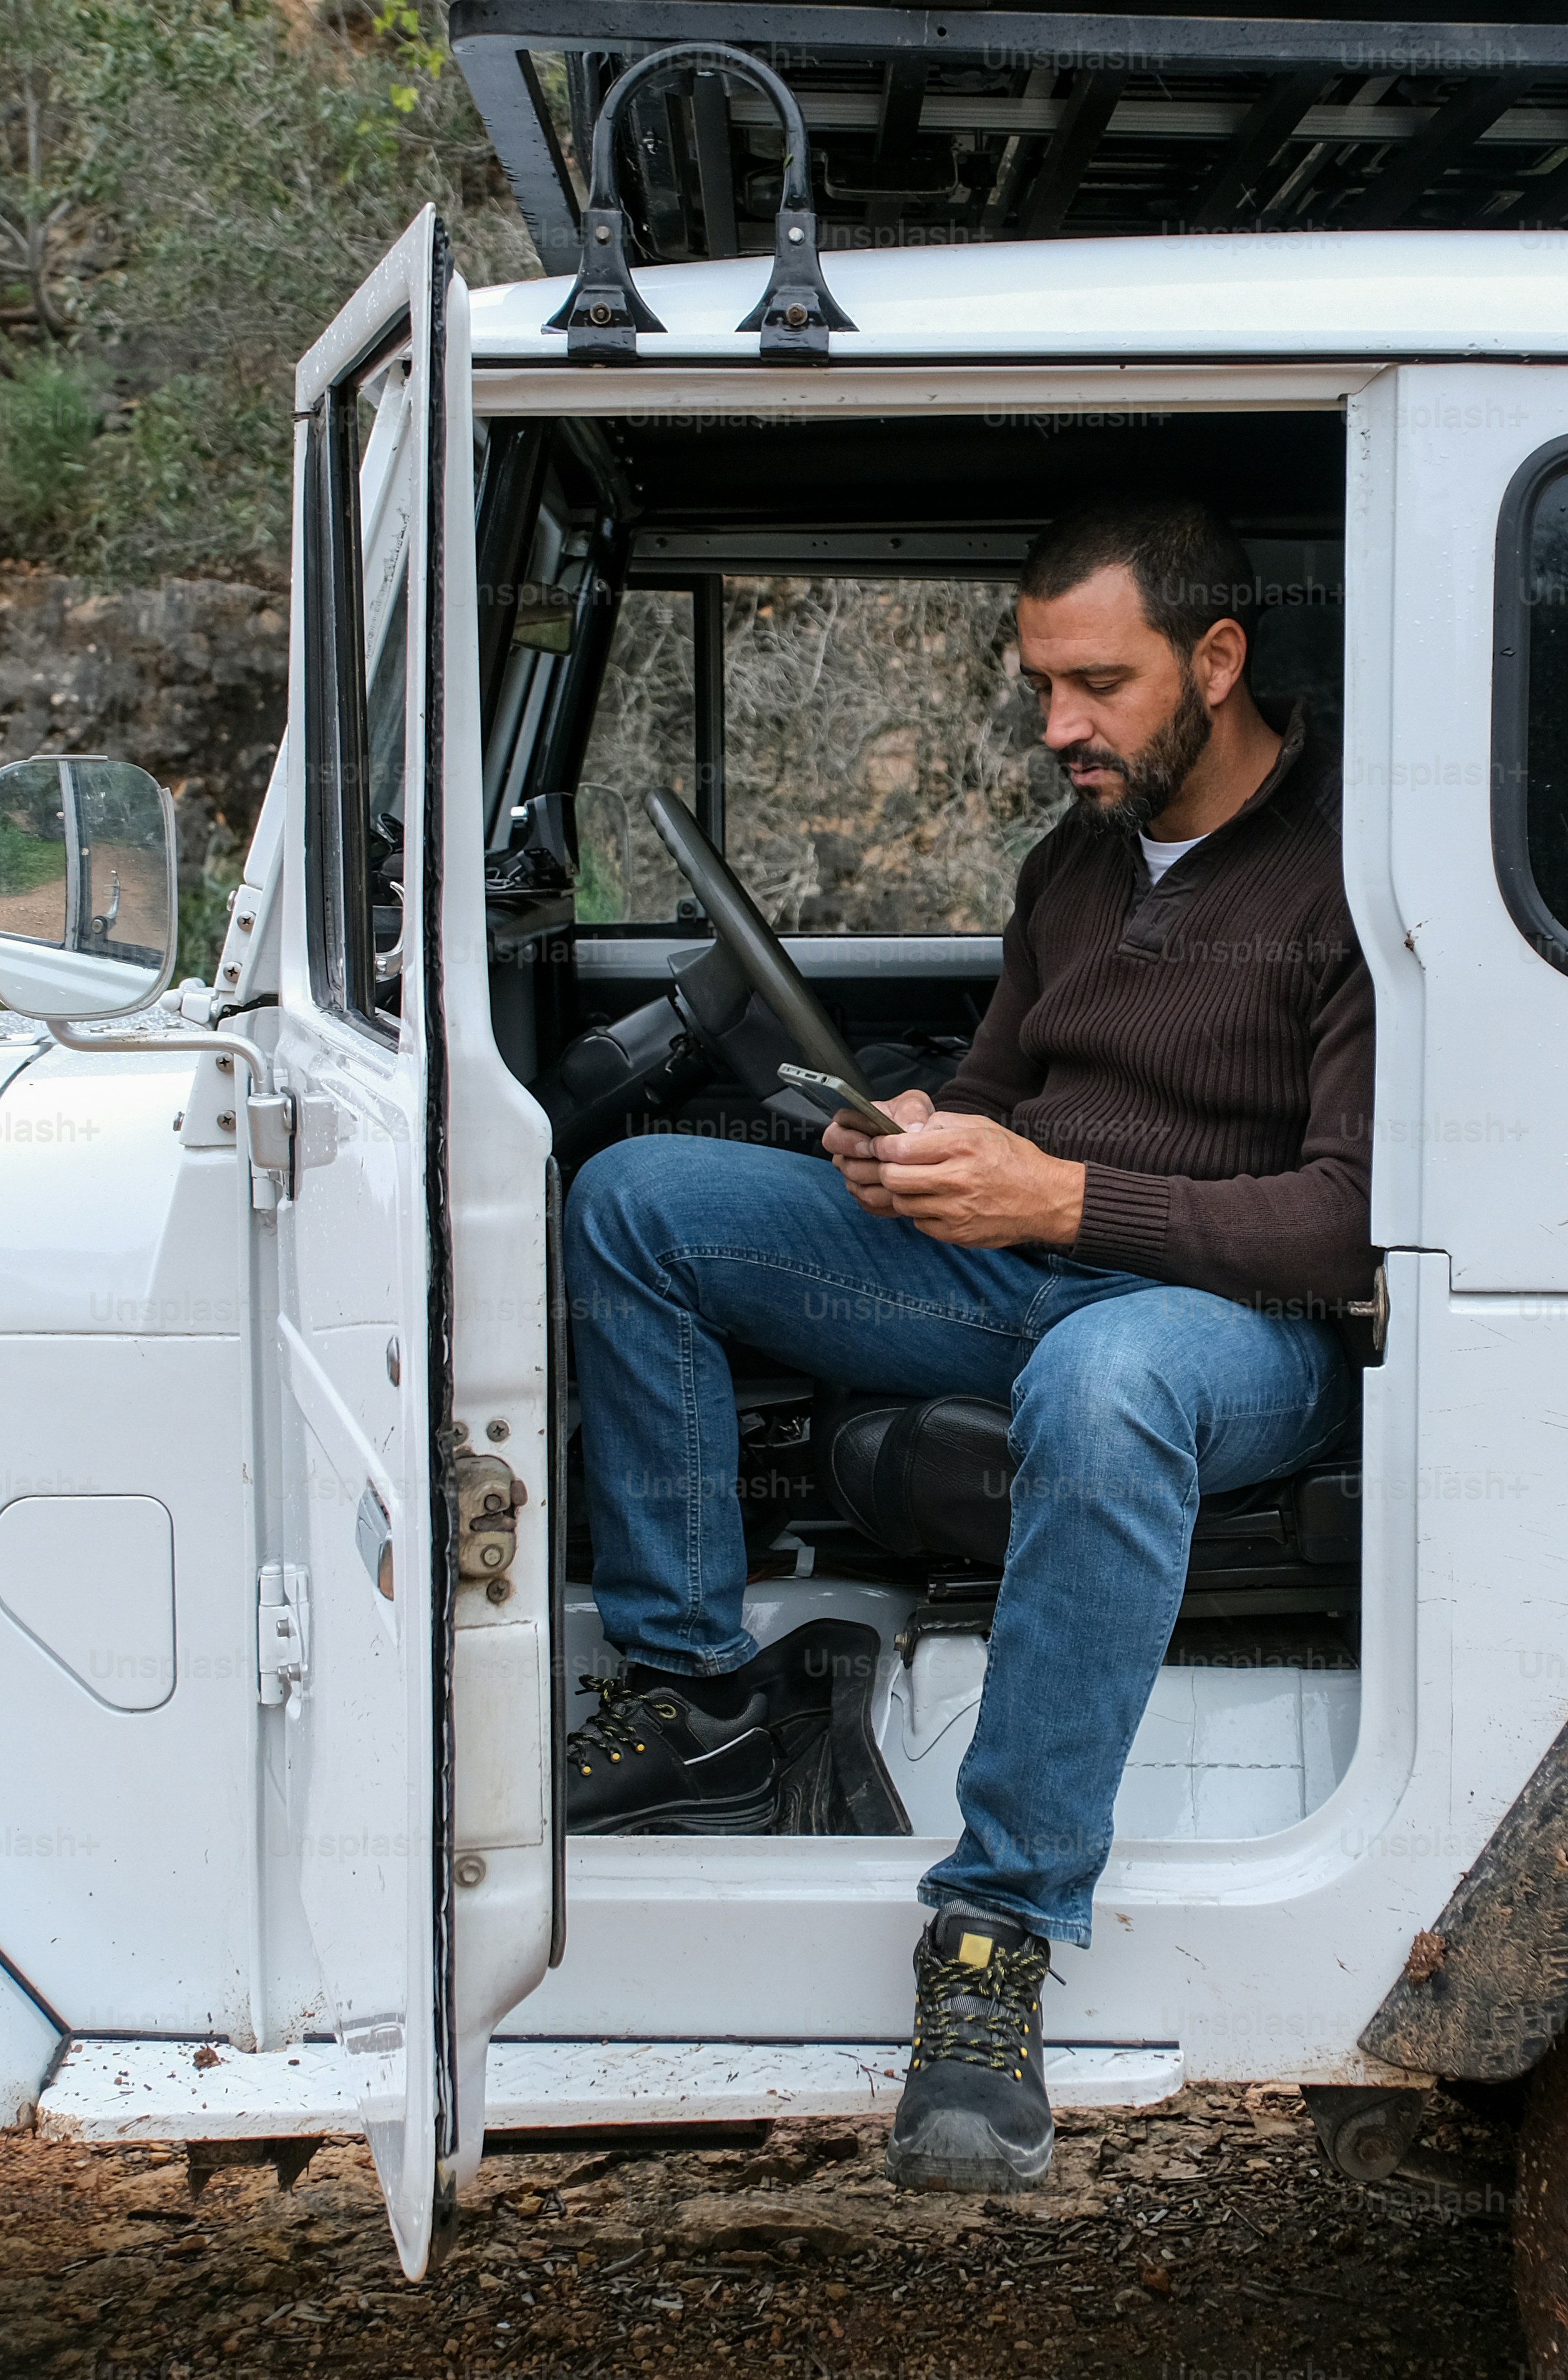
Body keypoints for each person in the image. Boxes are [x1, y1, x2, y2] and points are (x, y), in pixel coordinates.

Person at [561, 492, 1375, 2192]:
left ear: (1218, 661)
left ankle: (997, 1931)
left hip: (1241, 1327)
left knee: (1106, 1376)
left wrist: (1061, 1199)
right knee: (639, 1195)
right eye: (1040, 686)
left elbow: (1342, 1222)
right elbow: (1011, 1091)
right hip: (1020, 1260)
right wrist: (922, 1134)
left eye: (1099, 684)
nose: (1058, 726)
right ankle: (697, 1692)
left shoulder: (1356, 874)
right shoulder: (1071, 864)